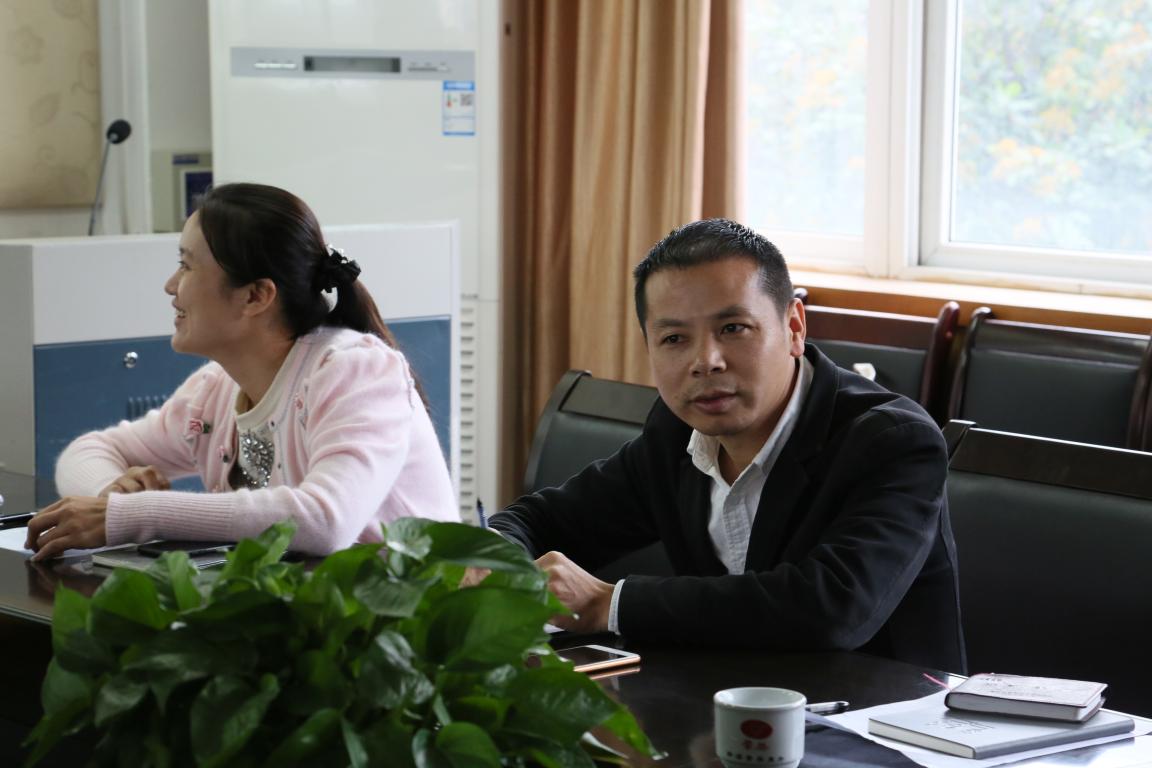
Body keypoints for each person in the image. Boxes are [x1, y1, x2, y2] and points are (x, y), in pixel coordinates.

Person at [488, 218, 965, 671]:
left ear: (794, 328)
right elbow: (541, 520)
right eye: (674, 338)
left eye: (733, 329)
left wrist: (607, 603)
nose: (706, 361)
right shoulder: (675, 433)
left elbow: (830, 607)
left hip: (883, 715)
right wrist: (490, 561)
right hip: (727, 699)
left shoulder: (894, 441)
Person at [26, 183, 459, 561]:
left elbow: (326, 519)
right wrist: (110, 495)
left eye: (187, 265)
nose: (171, 285)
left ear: (255, 296)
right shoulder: (214, 390)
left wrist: (130, 515)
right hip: (313, 613)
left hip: (416, 620)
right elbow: (88, 450)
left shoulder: (354, 369)